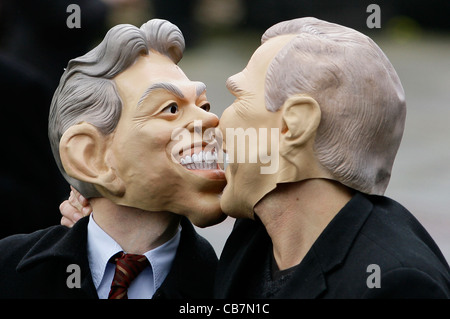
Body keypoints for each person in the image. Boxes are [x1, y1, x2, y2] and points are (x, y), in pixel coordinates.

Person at [61, 17, 450, 298]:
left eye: (236, 99)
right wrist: (110, 234)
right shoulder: (258, 241)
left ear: (292, 126)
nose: (214, 119)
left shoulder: (397, 283)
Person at [0, 19, 226, 299]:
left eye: (203, 105)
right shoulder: (9, 271)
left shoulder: (233, 289)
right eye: (171, 109)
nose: (210, 118)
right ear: (90, 156)